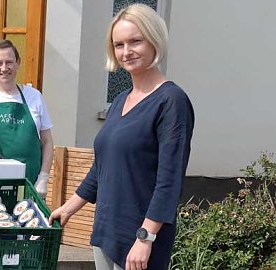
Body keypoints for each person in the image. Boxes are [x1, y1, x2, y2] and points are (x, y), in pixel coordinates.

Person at [49, 4, 194, 270]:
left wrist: (146, 237)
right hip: (106, 232)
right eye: (119, 45)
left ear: (154, 40)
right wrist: (68, 208)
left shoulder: (171, 101)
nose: (126, 52)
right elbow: (101, 167)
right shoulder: (119, 101)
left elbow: (169, 181)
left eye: (135, 42)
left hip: (140, 239)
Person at [0, 40, 54, 197]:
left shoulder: (35, 97)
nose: (4, 68)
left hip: (29, 186)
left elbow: (47, 142)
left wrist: (44, 177)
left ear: (18, 63)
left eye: (9, 62)